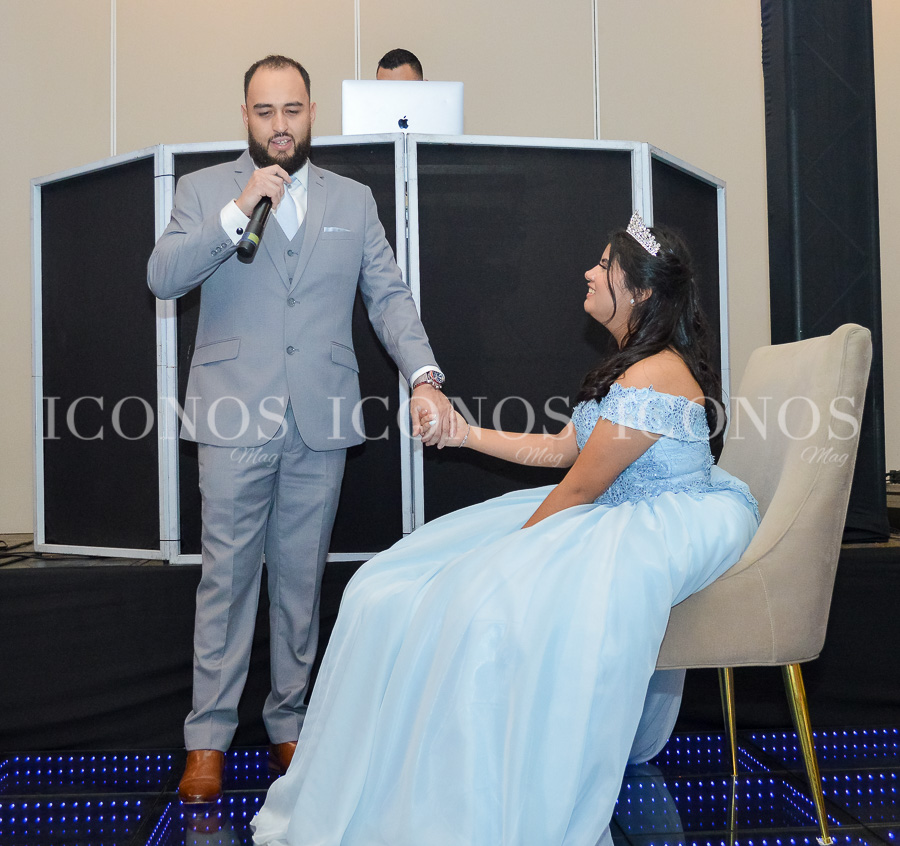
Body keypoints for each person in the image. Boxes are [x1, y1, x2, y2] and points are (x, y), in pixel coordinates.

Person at [250, 213, 760, 845]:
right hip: (609, 507)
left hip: (653, 520)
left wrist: (512, 553)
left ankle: (470, 790)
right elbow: (564, 451)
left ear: (640, 291)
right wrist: (464, 434)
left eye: (604, 266)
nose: (588, 272)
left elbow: (580, 488)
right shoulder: (633, 366)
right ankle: (397, 778)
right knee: (385, 586)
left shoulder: (653, 373)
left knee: (477, 601)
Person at [147, 54, 454, 804]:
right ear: (245, 117)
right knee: (225, 581)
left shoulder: (354, 198)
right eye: (264, 112)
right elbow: (163, 276)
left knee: (300, 580)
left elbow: (388, 296)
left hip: (322, 415)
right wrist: (237, 210)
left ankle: (290, 721)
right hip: (232, 413)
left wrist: (423, 375)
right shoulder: (204, 190)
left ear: (312, 112)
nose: (279, 126)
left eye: (291, 110)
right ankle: (207, 740)